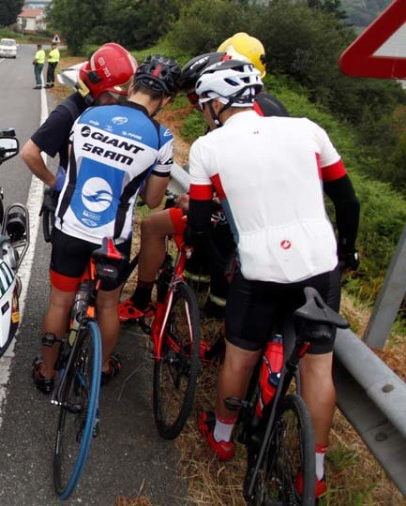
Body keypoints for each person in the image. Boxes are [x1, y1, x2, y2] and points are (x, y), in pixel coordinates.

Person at [188, 60, 360, 499]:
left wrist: (218, 259)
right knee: (318, 367)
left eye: (204, 105)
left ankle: (224, 438)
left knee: (239, 359)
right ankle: (313, 470)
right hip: (319, 265)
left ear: (215, 103)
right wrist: (347, 249)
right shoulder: (306, 129)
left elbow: (200, 225)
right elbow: (346, 197)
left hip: (261, 269)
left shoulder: (208, 148)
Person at [29, 55, 181, 393]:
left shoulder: (88, 114)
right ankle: (104, 367)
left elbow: (71, 163)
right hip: (113, 237)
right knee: (109, 304)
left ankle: (47, 372)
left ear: (131, 85)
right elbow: (153, 199)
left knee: (58, 302)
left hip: (70, 225)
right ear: (167, 99)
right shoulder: (162, 137)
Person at [118, 37, 289, 323]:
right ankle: (203, 306)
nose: (199, 106)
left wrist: (199, 201)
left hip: (236, 217)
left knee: (152, 226)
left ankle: (144, 300)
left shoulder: (240, 114)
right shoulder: (265, 106)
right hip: (256, 214)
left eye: (201, 99)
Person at [21, 43, 138, 197]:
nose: (117, 103)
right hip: (70, 205)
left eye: (123, 98)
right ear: (97, 87)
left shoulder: (106, 112)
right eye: (114, 96)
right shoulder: (67, 113)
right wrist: (56, 183)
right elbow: (29, 153)